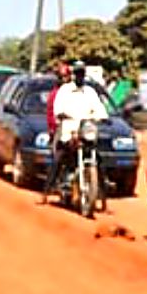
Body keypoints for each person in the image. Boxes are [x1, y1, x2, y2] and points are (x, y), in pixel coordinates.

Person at [44, 61, 108, 201]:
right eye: (78, 73)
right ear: (74, 75)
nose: (80, 76)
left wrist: (102, 116)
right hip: (68, 132)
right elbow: (57, 108)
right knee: (58, 158)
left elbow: (99, 107)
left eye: (82, 73)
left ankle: (103, 195)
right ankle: (48, 189)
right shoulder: (65, 90)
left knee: (99, 160)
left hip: (85, 132)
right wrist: (62, 114)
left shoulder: (90, 92)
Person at [42, 63, 73, 200]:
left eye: (67, 76)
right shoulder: (55, 94)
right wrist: (54, 127)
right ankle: (48, 189)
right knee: (58, 159)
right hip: (59, 130)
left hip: (75, 129)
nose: (65, 79)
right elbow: (51, 114)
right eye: (63, 77)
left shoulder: (76, 92)